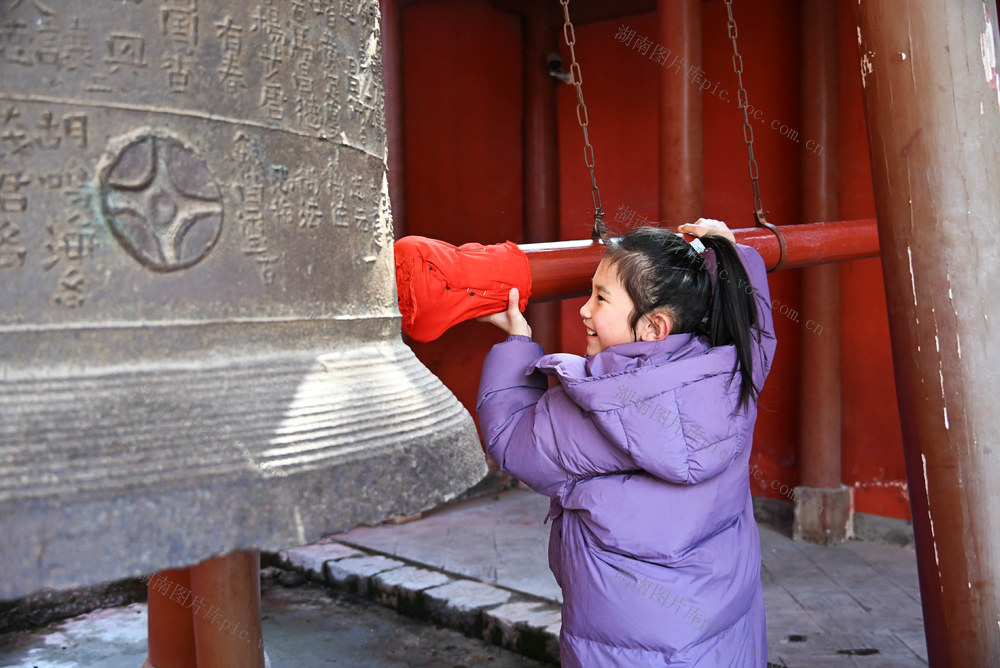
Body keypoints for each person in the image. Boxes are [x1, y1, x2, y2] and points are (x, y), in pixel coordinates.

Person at [476, 218, 776, 667]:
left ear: (655, 327)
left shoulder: (596, 405)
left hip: (627, 641)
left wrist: (518, 343)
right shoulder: (731, 370)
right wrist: (734, 257)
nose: (584, 310)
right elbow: (755, 329)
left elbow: (509, 440)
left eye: (600, 297)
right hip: (719, 623)